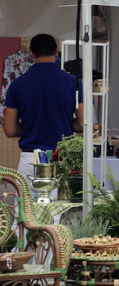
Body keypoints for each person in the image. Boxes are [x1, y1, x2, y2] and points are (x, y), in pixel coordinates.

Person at [3, 33, 84, 180]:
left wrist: (31, 125)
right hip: (62, 157)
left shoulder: (17, 85)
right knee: (62, 203)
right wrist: (61, 122)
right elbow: (82, 123)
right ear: (55, 52)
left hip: (30, 159)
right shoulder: (74, 83)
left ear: (32, 54)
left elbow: (9, 129)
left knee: (27, 203)